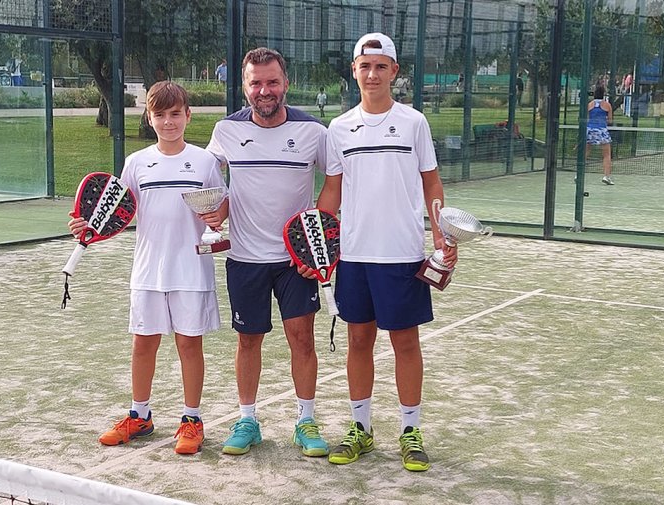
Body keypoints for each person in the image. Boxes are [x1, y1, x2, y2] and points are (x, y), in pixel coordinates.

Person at [313, 32, 456, 473]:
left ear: (395, 71)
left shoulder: (413, 122)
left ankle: (410, 432)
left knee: (405, 342)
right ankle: (361, 429)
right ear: (353, 71)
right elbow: (333, 191)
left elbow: (431, 182)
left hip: (403, 253)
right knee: (358, 340)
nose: (371, 74)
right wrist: (314, 238)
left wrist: (441, 236)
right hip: (355, 256)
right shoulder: (339, 128)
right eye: (364, 66)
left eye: (380, 66)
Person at [68, 81, 224, 455]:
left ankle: (191, 419)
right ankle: (140, 415)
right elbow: (115, 211)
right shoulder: (137, 163)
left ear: (188, 115)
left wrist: (219, 217)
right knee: (143, 344)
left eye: (175, 114)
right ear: (149, 118)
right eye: (160, 115)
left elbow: (220, 208)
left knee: (189, 344)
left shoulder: (205, 162)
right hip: (148, 271)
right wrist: (87, 224)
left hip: (191, 270)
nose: (168, 122)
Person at [203, 47, 330, 458]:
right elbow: (207, 181)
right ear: (244, 87)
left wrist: (318, 234)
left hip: (296, 263)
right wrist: (212, 214)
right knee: (248, 341)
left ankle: (305, 420)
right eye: (256, 83)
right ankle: (247, 420)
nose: (264, 90)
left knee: (302, 339)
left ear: (285, 83)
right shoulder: (225, 131)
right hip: (245, 258)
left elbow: (338, 176)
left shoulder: (313, 131)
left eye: (272, 82)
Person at [586, 84, 614, 185]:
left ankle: (578, 174)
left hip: (589, 130)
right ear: (603, 94)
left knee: (585, 153)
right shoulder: (607, 105)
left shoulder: (589, 104)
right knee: (606, 155)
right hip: (602, 130)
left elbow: (587, 118)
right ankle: (606, 176)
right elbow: (610, 120)